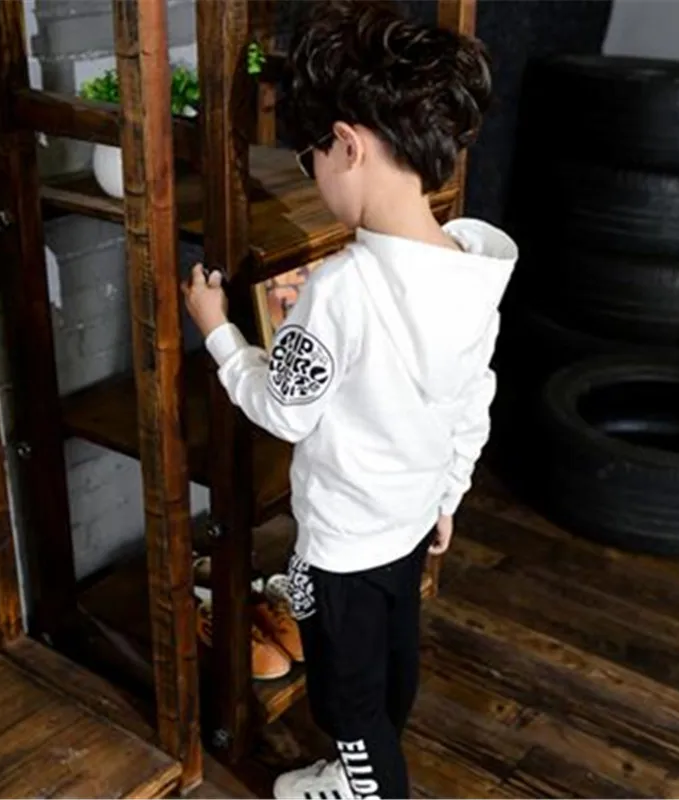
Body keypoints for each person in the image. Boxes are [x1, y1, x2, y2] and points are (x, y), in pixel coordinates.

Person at [182, 2, 517, 797]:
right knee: (393, 656)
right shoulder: (472, 268)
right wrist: (449, 495)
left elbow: (284, 408)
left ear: (348, 145)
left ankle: (362, 782)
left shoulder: (340, 290)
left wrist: (220, 333)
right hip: (412, 520)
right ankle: (338, 714)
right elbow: (474, 399)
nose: (316, 177)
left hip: (345, 542)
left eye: (311, 161)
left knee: (348, 700)